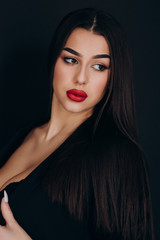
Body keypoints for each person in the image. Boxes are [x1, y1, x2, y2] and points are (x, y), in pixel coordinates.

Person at [0, 8, 154, 240]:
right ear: (54, 60)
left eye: (99, 66)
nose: (81, 78)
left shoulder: (118, 158)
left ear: (113, 78)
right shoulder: (22, 136)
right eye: (71, 60)